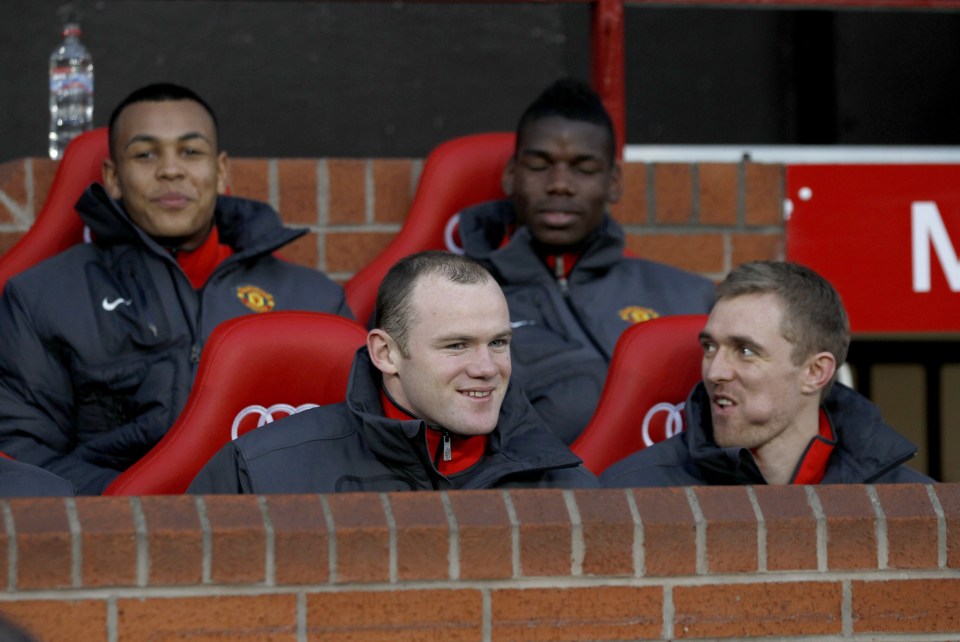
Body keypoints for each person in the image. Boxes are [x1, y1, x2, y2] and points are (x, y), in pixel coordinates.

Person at [0, 83, 353, 494]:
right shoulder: (41, 297)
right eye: (145, 154)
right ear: (113, 177)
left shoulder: (313, 299)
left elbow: (363, 443)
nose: (170, 169)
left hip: (287, 534)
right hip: (121, 533)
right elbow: (21, 452)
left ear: (220, 171)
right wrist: (142, 509)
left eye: (190, 151)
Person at [188, 251, 598, 493]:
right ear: (385, 353)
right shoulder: (262, 471)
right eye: (456, 345)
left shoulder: (565, 485)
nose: (486, 368)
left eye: (498, 343)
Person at [457, 77, 715, 445]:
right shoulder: (453, 301)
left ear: (613, 181)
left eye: (584, 168)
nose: (560, 184)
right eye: (540, 165)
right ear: (512, 175)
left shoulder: (691, 298)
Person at [602, 261, 933, 487]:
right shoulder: (630, 493)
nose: (715, 371)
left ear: (815, 372)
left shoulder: (912, 504)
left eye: (745, 351)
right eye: (710, 347)